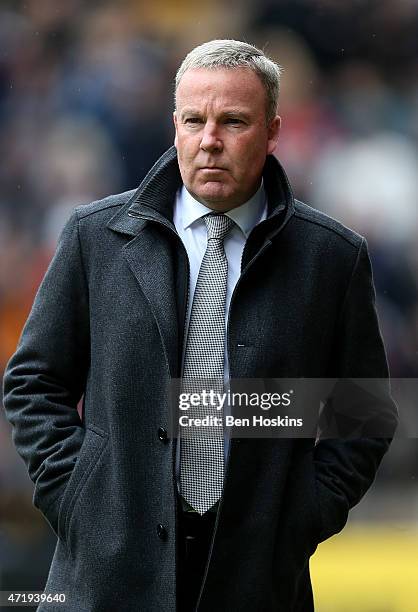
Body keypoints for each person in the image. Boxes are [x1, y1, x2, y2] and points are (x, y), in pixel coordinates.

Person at [2, 40, 397, 612]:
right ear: (175, 127)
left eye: (233, 121)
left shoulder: (331, 257)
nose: (210, 139)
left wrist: (302, 515)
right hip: (106, 573)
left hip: (258, 579)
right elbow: (34, 383)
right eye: (195, 120)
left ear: (272, 131)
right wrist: (78, 499)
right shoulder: (95, 236)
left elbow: (361, 411)